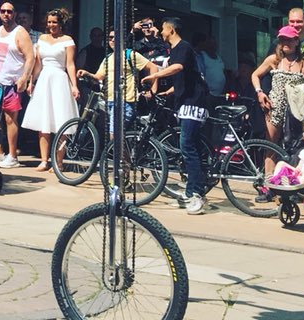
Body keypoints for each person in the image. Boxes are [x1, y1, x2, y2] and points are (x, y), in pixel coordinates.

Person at [142, 17, 209, 214]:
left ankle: (197, 194)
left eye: (163, 29)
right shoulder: (178, 50)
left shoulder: (184, 47)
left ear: (171, 29)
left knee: (187, 146)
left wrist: (155, 75)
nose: (161, 32)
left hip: (193, 103)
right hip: (186, 101)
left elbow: (178, 68)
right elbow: (185, 76)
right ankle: (190, 192)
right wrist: (170, 91)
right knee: (190, 146)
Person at [22, 8, 80, 172]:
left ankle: (58, 162)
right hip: (44, 80)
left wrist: (74, 85)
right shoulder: (41, 39)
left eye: (54, 22)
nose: (51, 25)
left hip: (60, 80)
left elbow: (70, 64)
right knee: (44, 122)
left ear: (61, 23)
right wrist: (31, 81)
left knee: (62, 122)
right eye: (49, 22)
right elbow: (38, 64)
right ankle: (44, 160)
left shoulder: (68, 40)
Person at [252, 25, 304, 151]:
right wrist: (259, 93)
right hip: (275, 108)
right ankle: (269, 172)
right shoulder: (275, 60)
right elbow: (255, 75)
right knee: (270, 148)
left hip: (296, 112)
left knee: (297, 149)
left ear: (296, 41)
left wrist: (301, 89)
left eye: (289, 39)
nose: (285, 42)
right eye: (282, 39)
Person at [77, 29, 156, 132]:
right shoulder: (108, 58)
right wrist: (86, 73)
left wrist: (153, 90)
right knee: (118, 138)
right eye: (110, 38)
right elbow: (98, 77)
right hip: (109, 100)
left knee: (114, 135)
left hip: (125, 100)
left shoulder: (130, 54)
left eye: (116, 37)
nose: (113, 40)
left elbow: (153, 67)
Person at [0, 1, 35, 169]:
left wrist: (24, 78)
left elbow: (31, 57)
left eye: (9, 11)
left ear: (14, 14)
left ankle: (13, 155)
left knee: (10, 119)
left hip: (11, 82)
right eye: (3, 11)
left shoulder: (20, 32)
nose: (6, 14)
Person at [266, 120, 304, 188]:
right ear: (303, 137)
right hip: (300, 173)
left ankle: (294, 185)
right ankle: (275, 180)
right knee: (281, 163)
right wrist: (297, 169)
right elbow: (300, 164)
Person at [193, 33, 227, 102]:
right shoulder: (201, 56)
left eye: (214, 43)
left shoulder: (219, 57)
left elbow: (222, 71)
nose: (213, 45)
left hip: (220, 95)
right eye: (211, 43)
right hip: (208, 95)